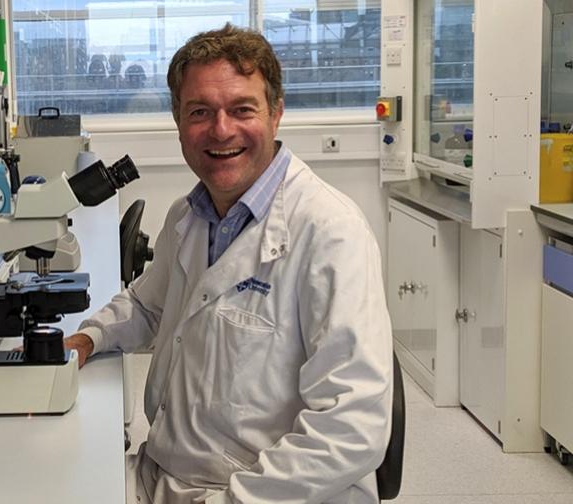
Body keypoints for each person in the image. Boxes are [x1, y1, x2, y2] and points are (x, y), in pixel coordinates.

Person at [65, 24, 393, 504]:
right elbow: (147, 306)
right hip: (165, 474)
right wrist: (86, 339)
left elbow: (352, 427)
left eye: (242, 109)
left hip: (266, 493)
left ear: (276, 114)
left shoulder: (330, 232)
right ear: (178, 120)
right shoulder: (189, 214)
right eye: (200, 112)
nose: (221, 130)